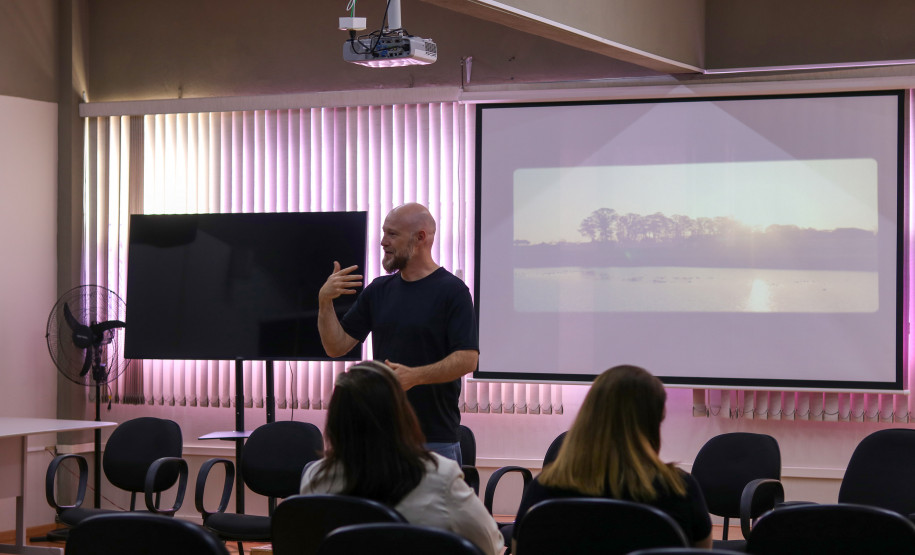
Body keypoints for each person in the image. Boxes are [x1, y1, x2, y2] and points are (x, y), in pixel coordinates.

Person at [317, 202, 478, 463]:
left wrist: (415, 376)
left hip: (433, 440)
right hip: (381, 436)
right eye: (383, 233)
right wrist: (325, 302)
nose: (383, 242)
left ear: (421, 237)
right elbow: (336, 346)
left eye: (392, 234)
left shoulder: (453, 292)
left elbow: (468, 359)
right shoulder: (379, 290)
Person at [300, 360, 504, 555]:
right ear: (402, 415)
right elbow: (491, 545)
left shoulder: (315, 478)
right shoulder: (440, 477)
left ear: (335, 421)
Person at [512, 364, 712, 551]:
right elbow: (702, 551)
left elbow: (518, 547)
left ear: (588, 414)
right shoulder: (679, 489)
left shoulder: (544, 488)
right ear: (654, 421)